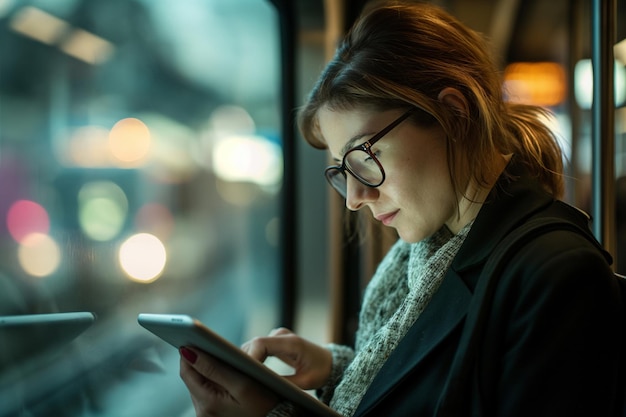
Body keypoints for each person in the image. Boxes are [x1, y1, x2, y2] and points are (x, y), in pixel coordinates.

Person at [178, 1, 625, 416]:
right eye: (342, 170)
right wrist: (339, 369)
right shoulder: (429, 252)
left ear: (453, 114)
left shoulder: (558, 275)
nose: (354, 197)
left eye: (364, 158)